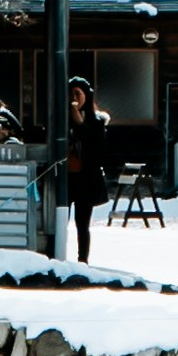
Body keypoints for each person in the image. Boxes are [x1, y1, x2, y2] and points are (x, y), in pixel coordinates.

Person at [63, 70, 110, 263]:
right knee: (60, 221)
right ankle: (57, 257)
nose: (75, 98)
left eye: (78, 94)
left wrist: (80, 124)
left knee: (82, 224)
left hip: (85, 179)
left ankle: (83, 260)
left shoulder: (96, 121)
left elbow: (96, 147)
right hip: (66, 178)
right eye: (71, 94)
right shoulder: (61, 119)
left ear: (86, 95)